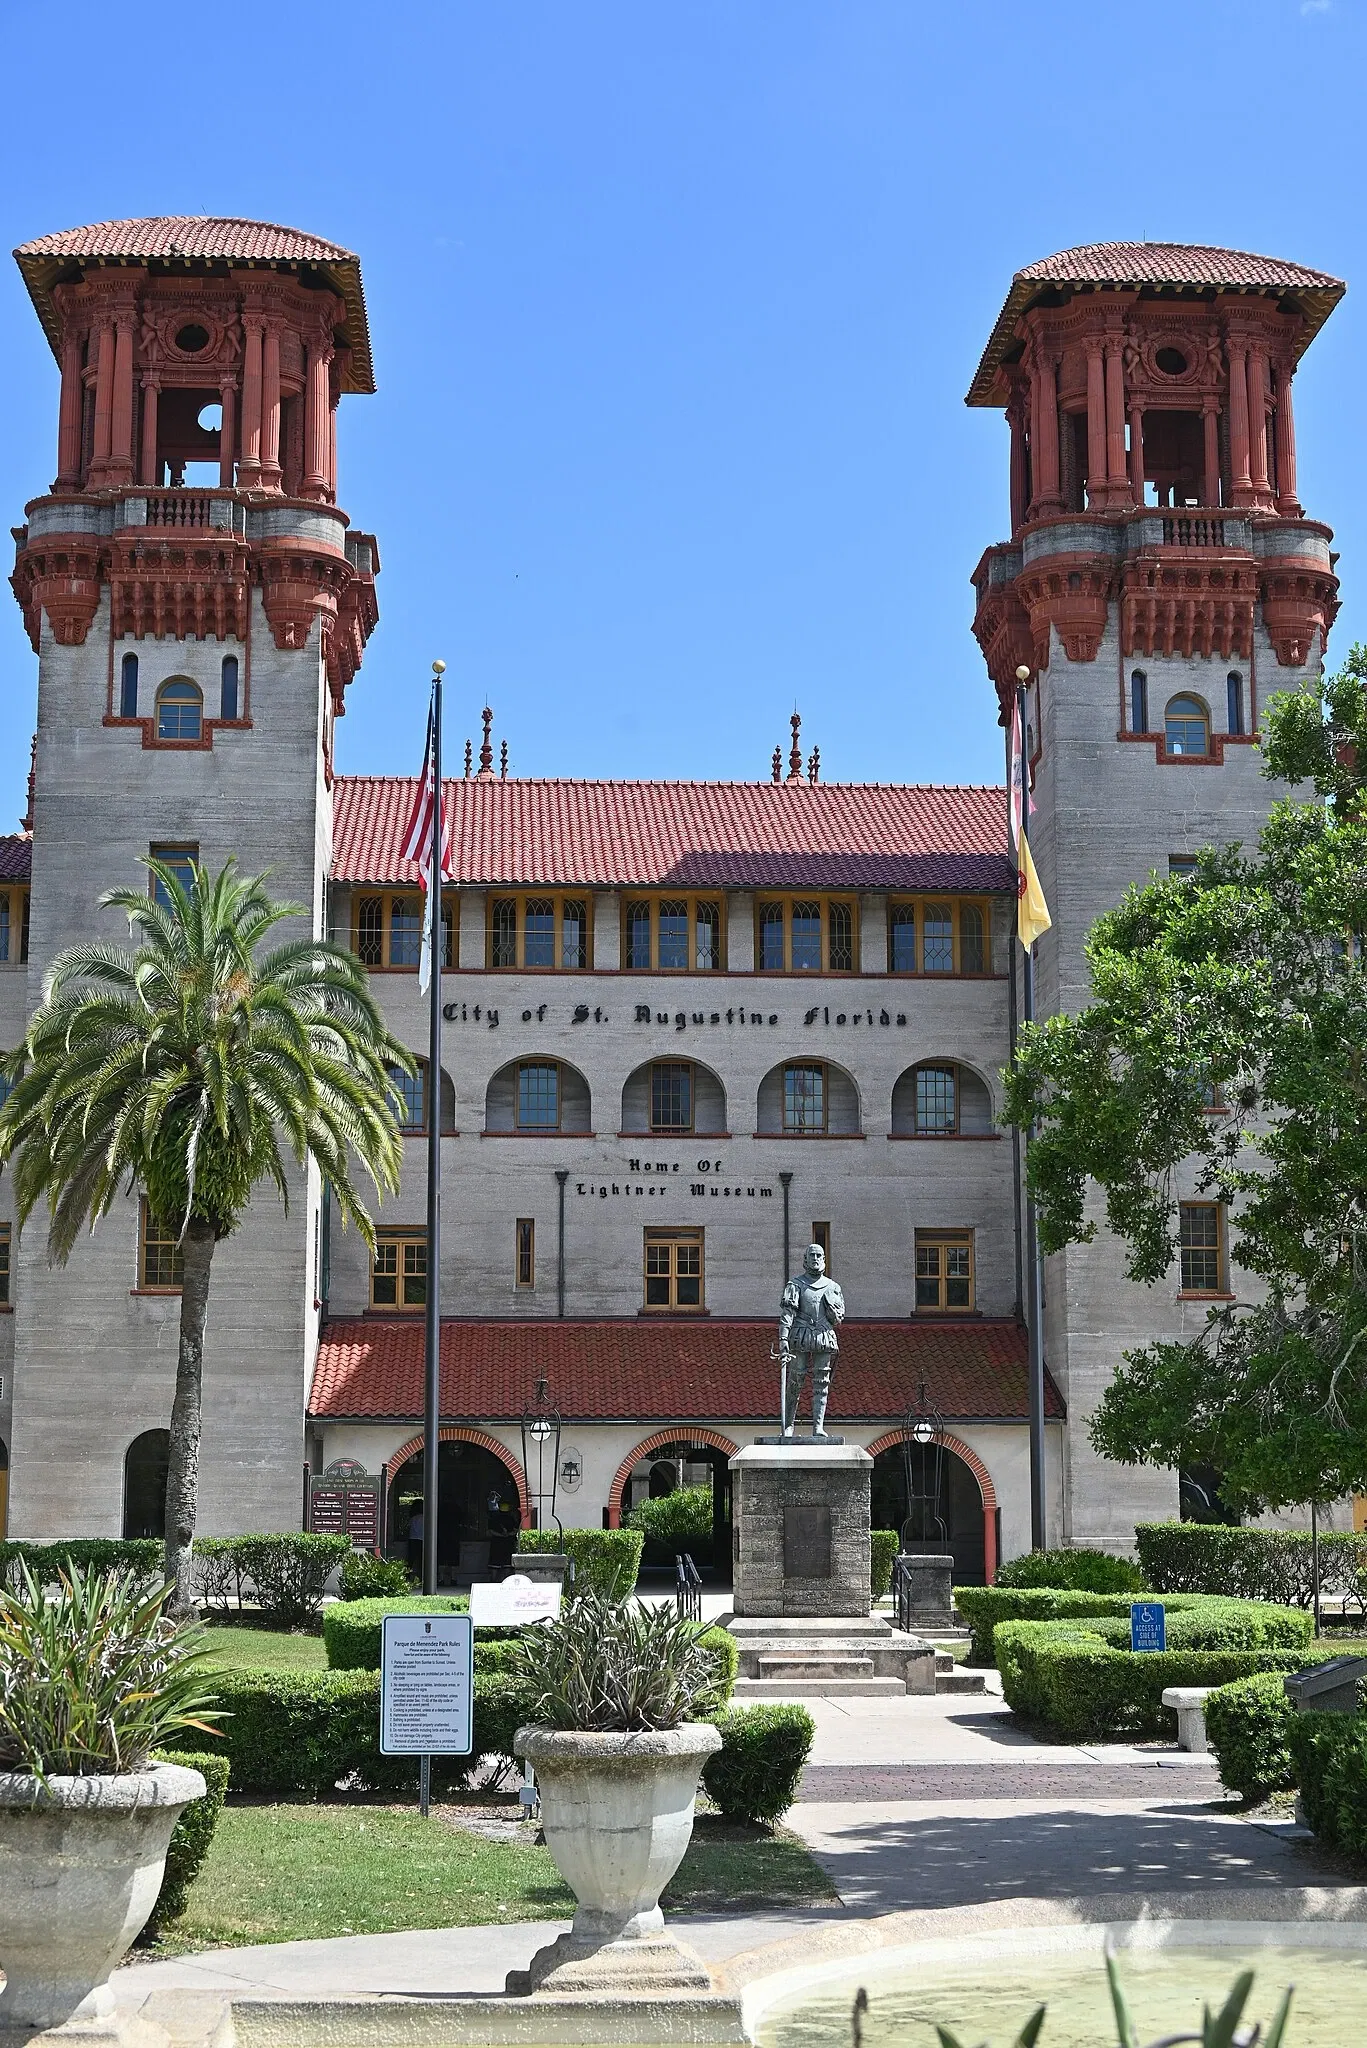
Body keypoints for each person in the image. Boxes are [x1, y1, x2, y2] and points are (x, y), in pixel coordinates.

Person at [778, 1241, 846, 1438]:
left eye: (819, 1256)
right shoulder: (795, 1285)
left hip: (823, 1335)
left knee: (821, 1382)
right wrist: (783, 1338)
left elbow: (839, 1318)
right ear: (805, 1260)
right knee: (796, 1380)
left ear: (824, 1259)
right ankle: (789, 1425)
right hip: (800, 1334)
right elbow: (787, 1313)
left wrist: (834, 1313)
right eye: (812, 1255)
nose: (815, 1259)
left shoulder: (833, 1287)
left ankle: (818, 1426)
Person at [407, 1504, 424, 1576]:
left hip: (413, 1539)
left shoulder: (413, 1518)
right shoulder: (426, 1517)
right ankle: (422, 1576)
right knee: (422, 1560)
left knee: (410, 1560)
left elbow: (408, 1527)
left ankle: (407, 1575)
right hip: (422, 1539)